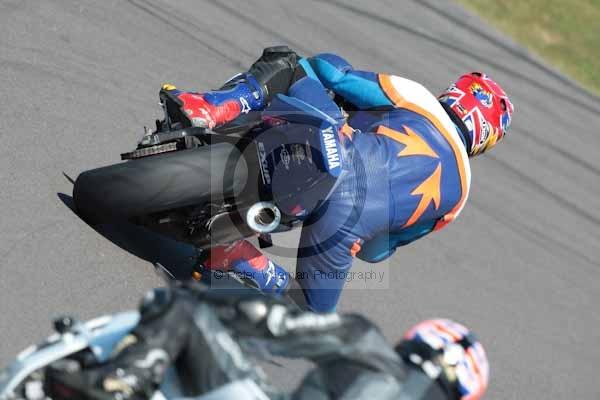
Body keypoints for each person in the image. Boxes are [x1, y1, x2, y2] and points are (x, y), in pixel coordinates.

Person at [165, 46, 514, 312]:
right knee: (309, 312)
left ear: (455, 92)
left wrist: (339, 102)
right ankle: (245, 261)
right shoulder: (459, 196)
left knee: (292, 65)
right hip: (344, 227)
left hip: (331, 150)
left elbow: (333, 74)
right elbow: (376, 252)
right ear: (486, 139)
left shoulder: (421, 99)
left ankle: (211, 108)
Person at [46, 284, 489, 400]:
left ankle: (118, 383)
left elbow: (274, 323)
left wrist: (207, 297)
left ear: (413, 342)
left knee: (185, 310)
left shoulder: (365, 341)